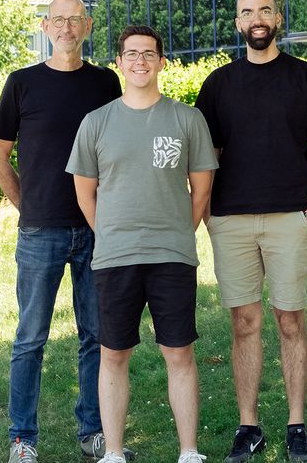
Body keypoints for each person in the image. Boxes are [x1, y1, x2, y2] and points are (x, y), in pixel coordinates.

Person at [194, 0, 307, 463]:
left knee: (290, 320)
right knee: (244, 322)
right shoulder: (217, 84)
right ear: (237, 23)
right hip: (230, 221)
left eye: (264, 10)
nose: (256, 19)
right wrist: (205, 216)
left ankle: (296, 426)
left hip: (288, 219)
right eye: (246, 12)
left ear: (277, 18)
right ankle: (249, 427)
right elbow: (206, 158)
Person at [66, 25, 218, 463]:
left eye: (148, 54)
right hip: (114, 257)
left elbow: (201, 189)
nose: (139, 61)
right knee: (113, 353)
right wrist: (110, 232)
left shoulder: (187, 119)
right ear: (119, 62)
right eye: (131, 54)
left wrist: (175, 232)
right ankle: (113, 452)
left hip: (172, 255)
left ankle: (189, 451)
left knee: (179, 351)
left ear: (161, 62)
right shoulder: (96, 122)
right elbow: (84, 192)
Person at [0, 0, 129, 463]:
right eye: (58, 20)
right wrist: (28, 207)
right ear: (46, 27)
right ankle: (22, 438)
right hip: (40, 233)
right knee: (31, 337)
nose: (67, 27)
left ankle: (92, 430)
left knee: (95, 335)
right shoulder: (22, 83)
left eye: (76, 20)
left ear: (87, 26)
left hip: (96, 229)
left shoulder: (106, 83)